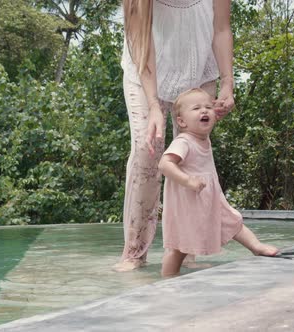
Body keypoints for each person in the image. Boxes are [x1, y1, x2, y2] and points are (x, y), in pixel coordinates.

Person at [114, 0, 236, 271]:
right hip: (146, 72)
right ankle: (134, 251)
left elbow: (221, 28)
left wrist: (228, 82)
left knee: (192, 157)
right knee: (147, 151)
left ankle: (185, 249)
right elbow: (140, 40)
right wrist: (154, 105)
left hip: (199, 69)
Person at [158, 88, 279, 277]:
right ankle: (167, 279)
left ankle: (256, 246)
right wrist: (188, 180)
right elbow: (165, 164)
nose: (204, 111)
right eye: (196, 108)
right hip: (189, 203)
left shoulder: (203, 139)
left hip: (209, 199)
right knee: (179, 247)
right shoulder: (184, 141)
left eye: (208, 107)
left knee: (232, 220)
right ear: (181, 122)